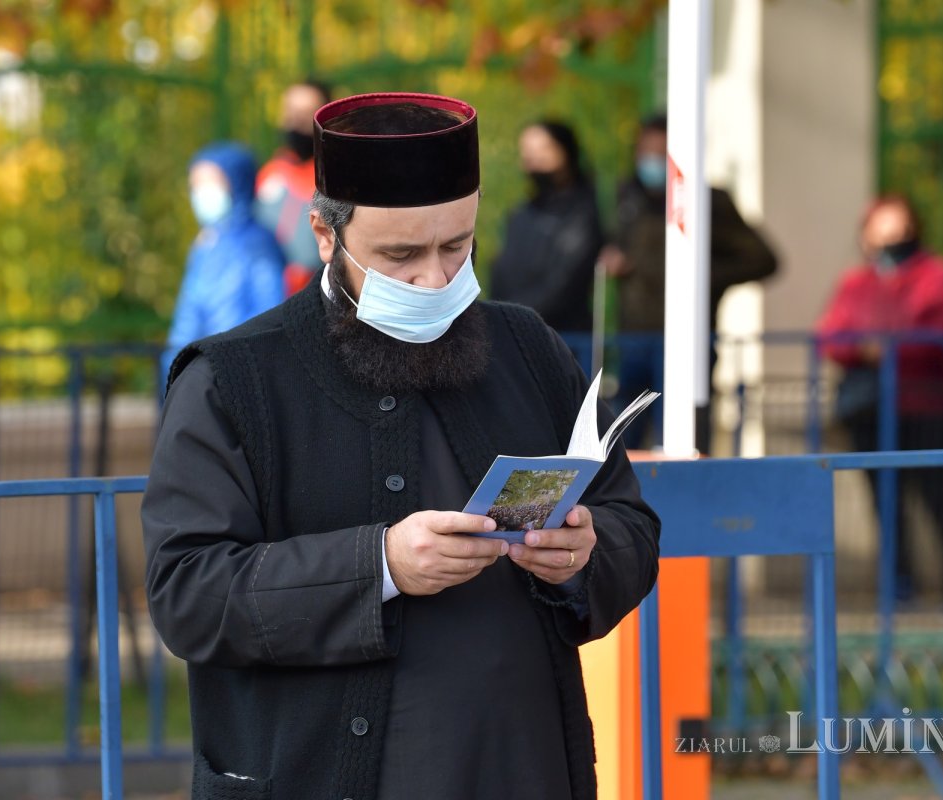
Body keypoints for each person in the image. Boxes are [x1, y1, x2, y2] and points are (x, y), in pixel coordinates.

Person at [142, 92, 660, 800]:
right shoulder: (231, 379)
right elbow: (190, 593)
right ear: (325, 236)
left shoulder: (528, 348)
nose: (435, 278)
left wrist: (582, 555)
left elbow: (631, 524)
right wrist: (377, 565)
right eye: (401, 255)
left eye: (457, 246)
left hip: (524, 768)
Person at [817, 195, 943, 602]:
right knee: (886, 502)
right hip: (870, 409)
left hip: (925, 406)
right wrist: (871, 347)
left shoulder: (936, 275)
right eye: (881, 232)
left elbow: (940, 327)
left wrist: (886, 345)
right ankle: (900, 583)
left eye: (899, 232)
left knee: (938, 497)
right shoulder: (856, 282)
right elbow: (831, 336)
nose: (890, 242)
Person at [601, 114, 779, 451]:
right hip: (633, 340)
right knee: (623, 445)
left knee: (686, 442)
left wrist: (699, 276)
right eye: (645, 151)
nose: (650, 161)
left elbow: (762, 260)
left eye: (660, 152)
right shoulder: (629, 198)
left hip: (686, 341)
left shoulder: (710, 202)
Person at [163, 142, 286, 373]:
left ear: (235, 183)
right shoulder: (205, 246)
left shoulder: (257, 246)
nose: (200, 193)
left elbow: (268, 319)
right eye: (195, 185)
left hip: (239, 374)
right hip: (199, 376)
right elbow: (186, 322)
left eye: (210, 183)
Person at [488, 120, 603, 335]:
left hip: (564, 338)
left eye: (543, 150)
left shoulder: (582, 214)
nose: (534, 161)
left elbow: (564, 284)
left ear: (567, 152)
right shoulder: (521, 213)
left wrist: (513, 315)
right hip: (516, 331)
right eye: (528, 153)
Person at [255, 79, 331, 296]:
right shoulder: (269, 173)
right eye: (290, 111)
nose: (296, 121)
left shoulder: (333, 178)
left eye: (306, 113)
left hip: (315, 300)